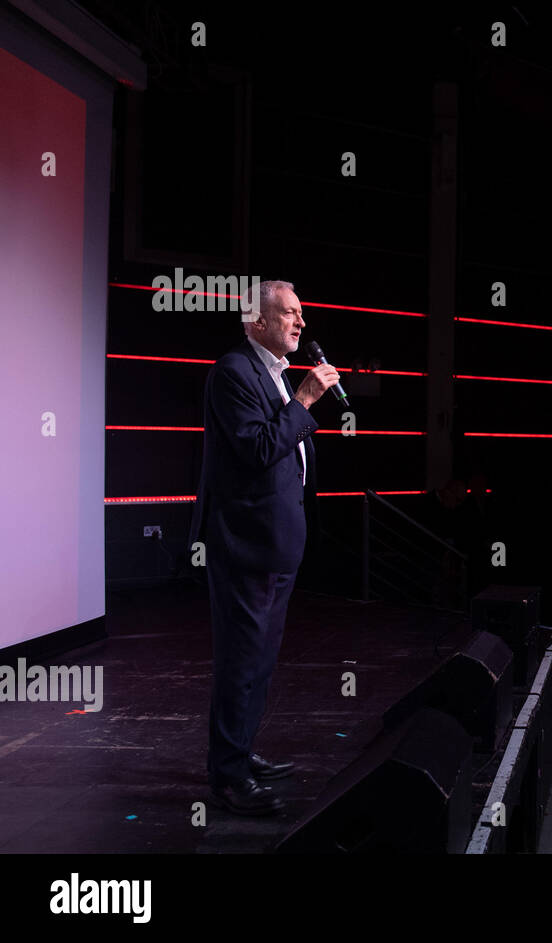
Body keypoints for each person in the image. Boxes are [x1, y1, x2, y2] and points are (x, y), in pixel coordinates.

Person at [189, 280, 339, 815]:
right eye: (290, 314)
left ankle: (242, 751)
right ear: (257, 322)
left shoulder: (271, 375)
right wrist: (303, 400)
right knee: (240, 661)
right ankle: (227, 776)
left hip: (277, 546)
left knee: (262, 660)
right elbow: (256, 449)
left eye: (301, 314)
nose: (301, 323)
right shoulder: (234, 372)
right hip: (244, 546)